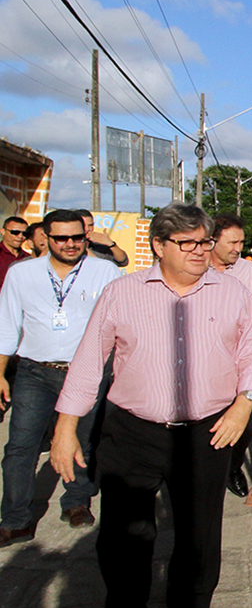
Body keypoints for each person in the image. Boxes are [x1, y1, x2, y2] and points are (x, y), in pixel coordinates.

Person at [49, 203, 252, 608]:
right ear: (159, 246)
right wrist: (65, 428)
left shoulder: (231, 292)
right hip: (131, 431)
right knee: (125, 536)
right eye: (187, 244)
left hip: (208, 432)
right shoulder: (122, 293)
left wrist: (244, 403)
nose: (199, 252)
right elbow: (89, 362)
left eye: (205, 242)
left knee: (199, 529)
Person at [0, 210, 122, 547]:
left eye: (77, 238)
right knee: (20, 447)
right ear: (44, 238)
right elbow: (7, 326)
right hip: (34, 372)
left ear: (86, 237)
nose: (70, 244)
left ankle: (76, 502)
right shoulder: (21, 274)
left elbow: (117, 325)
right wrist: (0, 374)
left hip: (87, 372)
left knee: (83, 442)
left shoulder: (104, 272)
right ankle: (16, 519)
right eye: (61, 238)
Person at [209, 214, 252, 497]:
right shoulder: (195, 270)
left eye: (241, 242)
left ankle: (232, 467)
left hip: (241, 360)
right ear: (211, 241)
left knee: (247, 424)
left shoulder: (247, 272)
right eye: (232, 242)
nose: (238, 248)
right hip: (208, 362)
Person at [0, 215, 28, 288]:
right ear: (2, 231)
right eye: (15, 232)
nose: (20, 236)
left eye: (24, 234)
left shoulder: (28, 258)